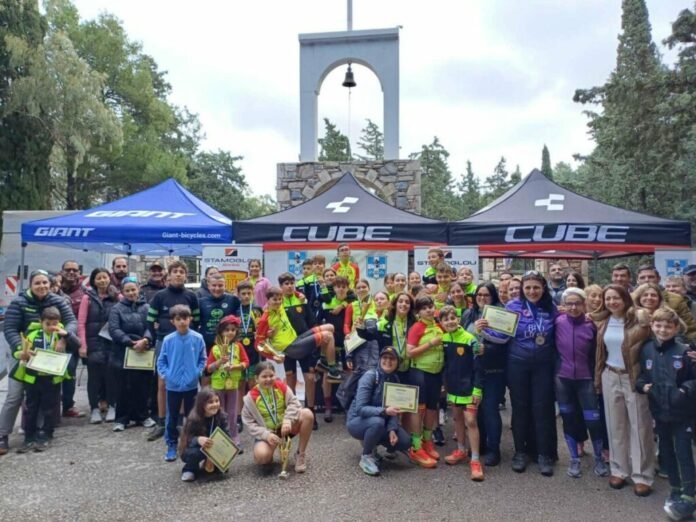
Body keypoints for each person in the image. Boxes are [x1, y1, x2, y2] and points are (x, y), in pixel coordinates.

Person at [0, 270, 77, 455]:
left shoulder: (58, 301)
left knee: (43, 396)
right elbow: (10, 328)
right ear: (30, 285)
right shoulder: (19, 302)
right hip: (22, 354)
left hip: (48, 356)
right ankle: (2, 434)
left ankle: (39, 434)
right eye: (37, 283)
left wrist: (63, 339)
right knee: (15, 395)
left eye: (45, 283)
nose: (42, 286)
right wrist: (23, 349)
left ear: (50, 284)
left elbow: (71, 322)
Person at [592, 284, 654, 496]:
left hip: (633, 377)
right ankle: (618, 469)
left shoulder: (639, 319)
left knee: (640, 426)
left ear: (625, 298)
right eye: (608, 299)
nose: (612, 302)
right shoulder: (603, 321)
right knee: (615, 425)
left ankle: (642, 475)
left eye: (616, 298)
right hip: (610, 374)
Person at [636, 307, 696, 520]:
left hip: (682, 412)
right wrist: (643, 386)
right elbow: (642, 375)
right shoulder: (647, 349)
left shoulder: (686, 350)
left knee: (683, 453)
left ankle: (689, 497)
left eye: (668, 326)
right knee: (667, 452)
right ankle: (676, 489)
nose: (663, 330)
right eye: (659, 325)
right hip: (659, 410)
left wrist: (683, 392)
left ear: (676, 328)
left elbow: (693, 379)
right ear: (652, 326)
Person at [497, 270, 557, 476]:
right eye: (528, 287)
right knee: (520, 408)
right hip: (518, 363)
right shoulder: (512, 306)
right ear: (522, 289)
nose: (532, 291)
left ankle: (544, 454)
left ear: (543, 288)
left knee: (542, 409)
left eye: (536, 287)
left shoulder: (551, 307)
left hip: (543, 365)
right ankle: (520, 452)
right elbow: (500, 334)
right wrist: (483, 328)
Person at [554, 288, 609, 478]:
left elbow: (598, 354)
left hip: (586, 379)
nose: (573, 307)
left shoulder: (591, 324)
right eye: (569, 303)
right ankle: (574, 458)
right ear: (563, 305)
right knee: (569, 419)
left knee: (593, 421)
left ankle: (599, 458)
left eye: (577, 303)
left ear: (584, 304)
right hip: (563, 379)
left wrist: (597, 377)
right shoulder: (558, 322)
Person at [13, 306, 79, 452]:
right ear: (40, 322)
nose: (51, 327)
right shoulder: (32, 334)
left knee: (49, 408)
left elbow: (77, 345)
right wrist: (22, 354)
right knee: (31, 409)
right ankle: (29, 438)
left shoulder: (61, 335)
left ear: (59, 322)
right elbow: (19, 352)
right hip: (33, 378)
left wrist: (66, 336)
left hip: (52, 379)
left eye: (54, 324)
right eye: (47, 324)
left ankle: (46, 435)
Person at [146, 261, 200, 441]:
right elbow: (150, 320)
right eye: (175, 271)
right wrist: (158, 336)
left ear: (186, 275)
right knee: (163, 383)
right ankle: (162, 422)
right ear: (168, 275)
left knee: (184, 383)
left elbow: (197, 320)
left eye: (181, 272)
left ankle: (180, 422)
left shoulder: (191, 296)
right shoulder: (160, 296)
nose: (178, 274)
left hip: (186, 344)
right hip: (165, 342)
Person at [462, 282, 508, 466]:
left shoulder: (500, 314)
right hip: (471, 371)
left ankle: (494, 449)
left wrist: (487, 349)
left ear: (493, 296)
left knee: (490, 409)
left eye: (486, 295)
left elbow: (506, 344)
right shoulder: (468, 313)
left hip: (493, 370)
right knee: (477, 410)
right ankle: (479, 444)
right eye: (479, 295)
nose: (482, 298)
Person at [346, 347, 412, 476]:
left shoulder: (395, 379)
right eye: (384, 358)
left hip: (381, 420)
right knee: (377, 422)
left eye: (392, 358)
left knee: (405, 441)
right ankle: (366, 456)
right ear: (379, 360)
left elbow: (394, 410)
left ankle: (372, 442)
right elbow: (361, 409)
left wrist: (392, 429)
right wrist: (384, 411)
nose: (388, 361)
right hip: (357, 421)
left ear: (397, 362)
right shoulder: (370, 376)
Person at [241, 362, 314, 474]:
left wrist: (288, 420)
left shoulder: (282, 387)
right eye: (264, 376)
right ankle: (267, 453)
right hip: (268, 433)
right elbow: (249, 423)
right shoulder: (250, 398)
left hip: (286, 428)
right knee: (262, 457)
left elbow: (294, 403)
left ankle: (300, 454)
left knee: (307, 414)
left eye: (271, 375)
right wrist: (266, 435)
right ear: (256, 379)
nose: (268, 379)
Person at [439, 305, 484, 481]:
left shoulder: (470, 339)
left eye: (452, 318)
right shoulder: (442, 340)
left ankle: (475, 460)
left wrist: (477, 389)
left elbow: (478, 367)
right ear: (441, 322)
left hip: (470, 388)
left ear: (458, 319)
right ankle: (461, 450)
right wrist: (443, 385)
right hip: (453, 388)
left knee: (470, 421)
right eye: (445, 319)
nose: (450, 322)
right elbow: (444, 365)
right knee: (457, 418)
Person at [157, 304, 207, 462]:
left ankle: (190, 442)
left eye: (185, 318)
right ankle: (171, 444)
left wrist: (197, 372)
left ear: (190, 319)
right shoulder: (168, 339)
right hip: (173, 386)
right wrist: (167, 375)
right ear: (173, 321)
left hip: (191, 385)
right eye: (178, 319)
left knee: (192, 416)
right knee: (172, 416)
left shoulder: (197, 338)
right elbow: (161, 361)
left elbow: (203, 359)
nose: (182, 322)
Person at [108, 277, 153, 432]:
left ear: (138, 289)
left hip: (143, 351)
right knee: (123, 388)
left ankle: (143, 416)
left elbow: (151, 326)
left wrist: (146, 340)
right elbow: (114, 329)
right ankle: (121, 419)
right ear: (122, 292)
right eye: (127, 290)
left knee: (142, 386)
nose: (131, 293)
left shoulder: (147, 307)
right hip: (123, 352)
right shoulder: (116, 309)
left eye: (133, 289)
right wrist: (129, 342)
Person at [406, 295, 444, 468]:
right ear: (418, 312)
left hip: (436, 372)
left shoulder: (439, 325)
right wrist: (430, 344)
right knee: (419, 409)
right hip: (419, 371)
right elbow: (409, 352)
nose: (429, 310)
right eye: (424, 308)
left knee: (431, 408)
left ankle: (427, 441)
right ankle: (416, 446)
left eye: (430, 307)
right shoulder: (417, 327)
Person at [78, 267, 120, 424]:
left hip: (112, 343)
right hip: (93, 343)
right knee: (94, 378)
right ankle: (94, 409)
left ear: (109, 279)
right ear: (93, 281)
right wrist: (83, 344)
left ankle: (112, 406)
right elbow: (81, 323)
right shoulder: (87, 298)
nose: (102, 281)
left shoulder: (117, 297)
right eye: (99, 278)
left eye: (105, 277)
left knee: (112, 376)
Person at [206, 315, 249, 446]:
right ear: (221, 331)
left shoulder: (238, 346)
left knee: (232, 412)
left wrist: (236, 367)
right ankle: (220, 438)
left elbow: (246, 362)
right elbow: (209, 368)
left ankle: (234, 438)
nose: (230, 332)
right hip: (218, 385)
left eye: (233, 330)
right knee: (220, 412)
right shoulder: (215, 348)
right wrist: (219, 362)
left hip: (233, 385)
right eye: (227, 330)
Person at [178, 388, 232, 482]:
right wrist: (198, 440)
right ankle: (190, 468)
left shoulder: (222, 416)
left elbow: (227, 436)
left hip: (214, 448)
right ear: (201, 404)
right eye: (210, 402)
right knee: (193, 454)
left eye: (217, 401)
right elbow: (186, 440)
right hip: (196, 448)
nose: (215, 404)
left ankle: (211, 464)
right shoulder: (193, 418)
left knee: (222, 470)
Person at [636, 265, 696, 341]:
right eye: (642, 277)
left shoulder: (676, 299)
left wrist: (690, 345)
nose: (647, 280)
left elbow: (691, 329)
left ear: (658, 279)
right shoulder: (629, 300)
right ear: (637, 280)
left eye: (651, 277)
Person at [235, 281, 263, 433]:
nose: (246, 296)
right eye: (243, 294)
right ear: (238, 295)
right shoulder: (235, 309)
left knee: (253, 383)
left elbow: (263, 328)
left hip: (253, 351)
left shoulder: (257, 309)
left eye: (248, 294)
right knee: (240, 384)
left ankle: (254, 414)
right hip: (238, 351)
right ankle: (238, 416)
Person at [59, 260, 85, 419]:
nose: (71, 272)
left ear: (79, 273)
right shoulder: (54, 289)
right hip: (53, 339)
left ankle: (68, 406)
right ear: (61, 272)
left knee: (70, 373)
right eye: (68, 269)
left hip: (73, 340)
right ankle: (52, 407)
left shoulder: (84, 292)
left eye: (74, 270)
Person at [198, 273, 240, 351]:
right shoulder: (201, 302)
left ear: (225, 286)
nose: (217, 288)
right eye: (214, 285)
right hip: (207, 346)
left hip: (228, 344)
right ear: (208, 286)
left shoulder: (233, 300)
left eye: (220, 285)